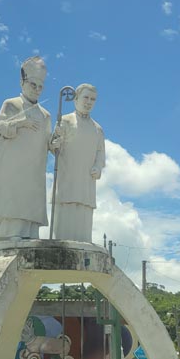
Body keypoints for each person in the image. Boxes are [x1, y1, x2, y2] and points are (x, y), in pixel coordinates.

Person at [0, 57, 51, 241]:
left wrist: (56, 143)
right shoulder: (11, 104)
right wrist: (20, 122)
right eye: (33, 85)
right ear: (22, 82)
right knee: (11, 199)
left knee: (30, 200)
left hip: (34, 169)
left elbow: (48, 141)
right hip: (11, 165)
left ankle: (29, 233)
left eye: (41, 87)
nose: (37, 90)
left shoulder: (46, 115)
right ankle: (8, 233)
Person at [50, 83, 105, 242]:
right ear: (76, 99)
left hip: (87, 180)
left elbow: (100, 152)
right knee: (66, 207)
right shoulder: (65, 120)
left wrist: (98, 166)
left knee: (84, 210)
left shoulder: (98, 129)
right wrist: (54, 145)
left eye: (93, 99)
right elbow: (53, 146)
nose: (89, 102)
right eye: (86, 97)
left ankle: (83, 241)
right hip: (67, 176)